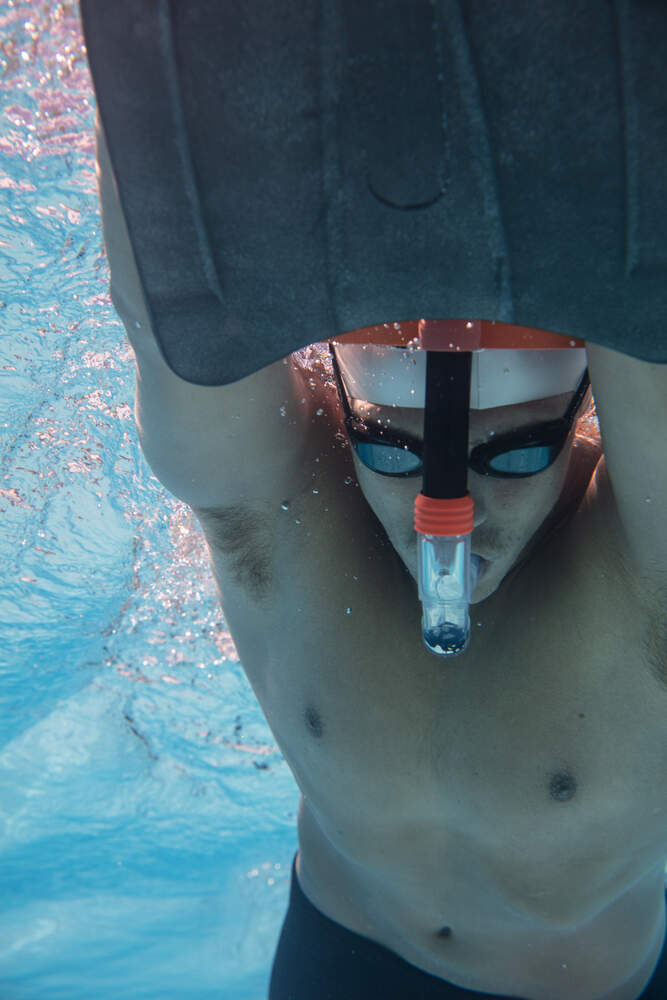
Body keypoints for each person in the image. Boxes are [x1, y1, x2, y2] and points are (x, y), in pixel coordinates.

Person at [82, 5, 666, 996]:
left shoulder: (642, 586)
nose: (454, 511)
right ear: (340, 416)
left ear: (581, 421)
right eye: (392, 450)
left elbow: (647, 298)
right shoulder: (287, 531)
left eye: (520, 453)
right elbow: (180, 315)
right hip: (346, 953)